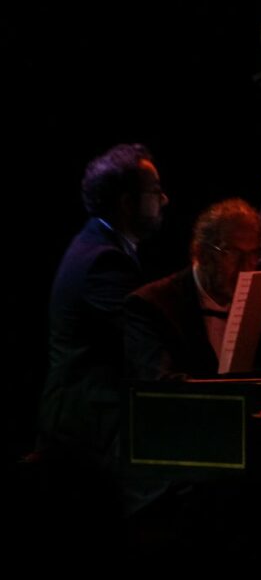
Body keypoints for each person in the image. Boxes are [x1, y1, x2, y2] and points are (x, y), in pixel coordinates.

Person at [38, 143, 168, 471]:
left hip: (91, 423)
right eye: (155, 191)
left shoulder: (100, 244)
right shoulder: (103, 261)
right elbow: (141, 340)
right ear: (126, 203)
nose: (164, 199)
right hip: (88, 432)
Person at [124, 198, 261, 381]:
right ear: (200, 253)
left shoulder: (260, 305)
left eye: (253, 254)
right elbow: (160, 383)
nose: (245, 267)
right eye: (233, 253)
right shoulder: (150, 306)